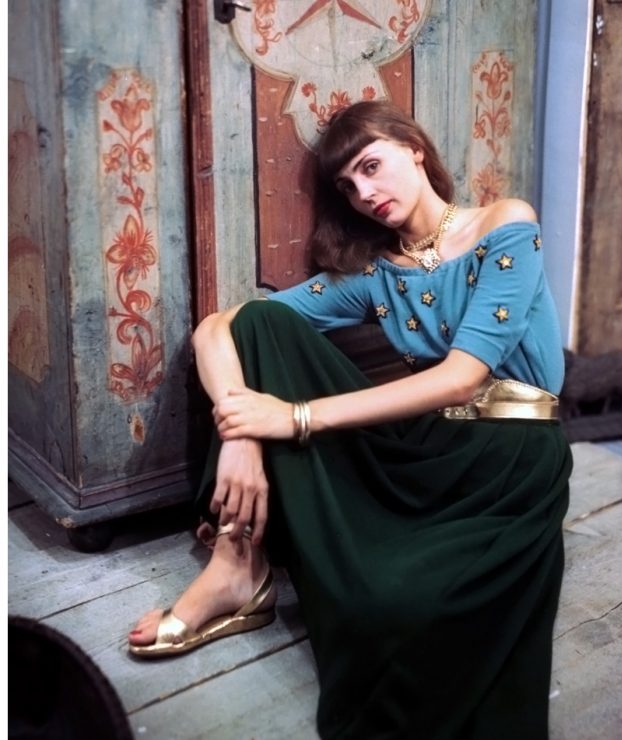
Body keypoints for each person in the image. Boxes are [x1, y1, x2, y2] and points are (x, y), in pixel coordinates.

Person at [128, 100, 572, 739]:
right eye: (346, 185)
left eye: (371, 166)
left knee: (391, 608)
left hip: (510, 458)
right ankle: (235, 566)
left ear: (413, 149)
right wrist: (242, 434)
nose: (363, 194)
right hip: (427, 450)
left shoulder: (505, 224)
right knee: (262, 323)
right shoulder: (375, 274)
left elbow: (461, 377)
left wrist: (294, 417)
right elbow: (217, 329)